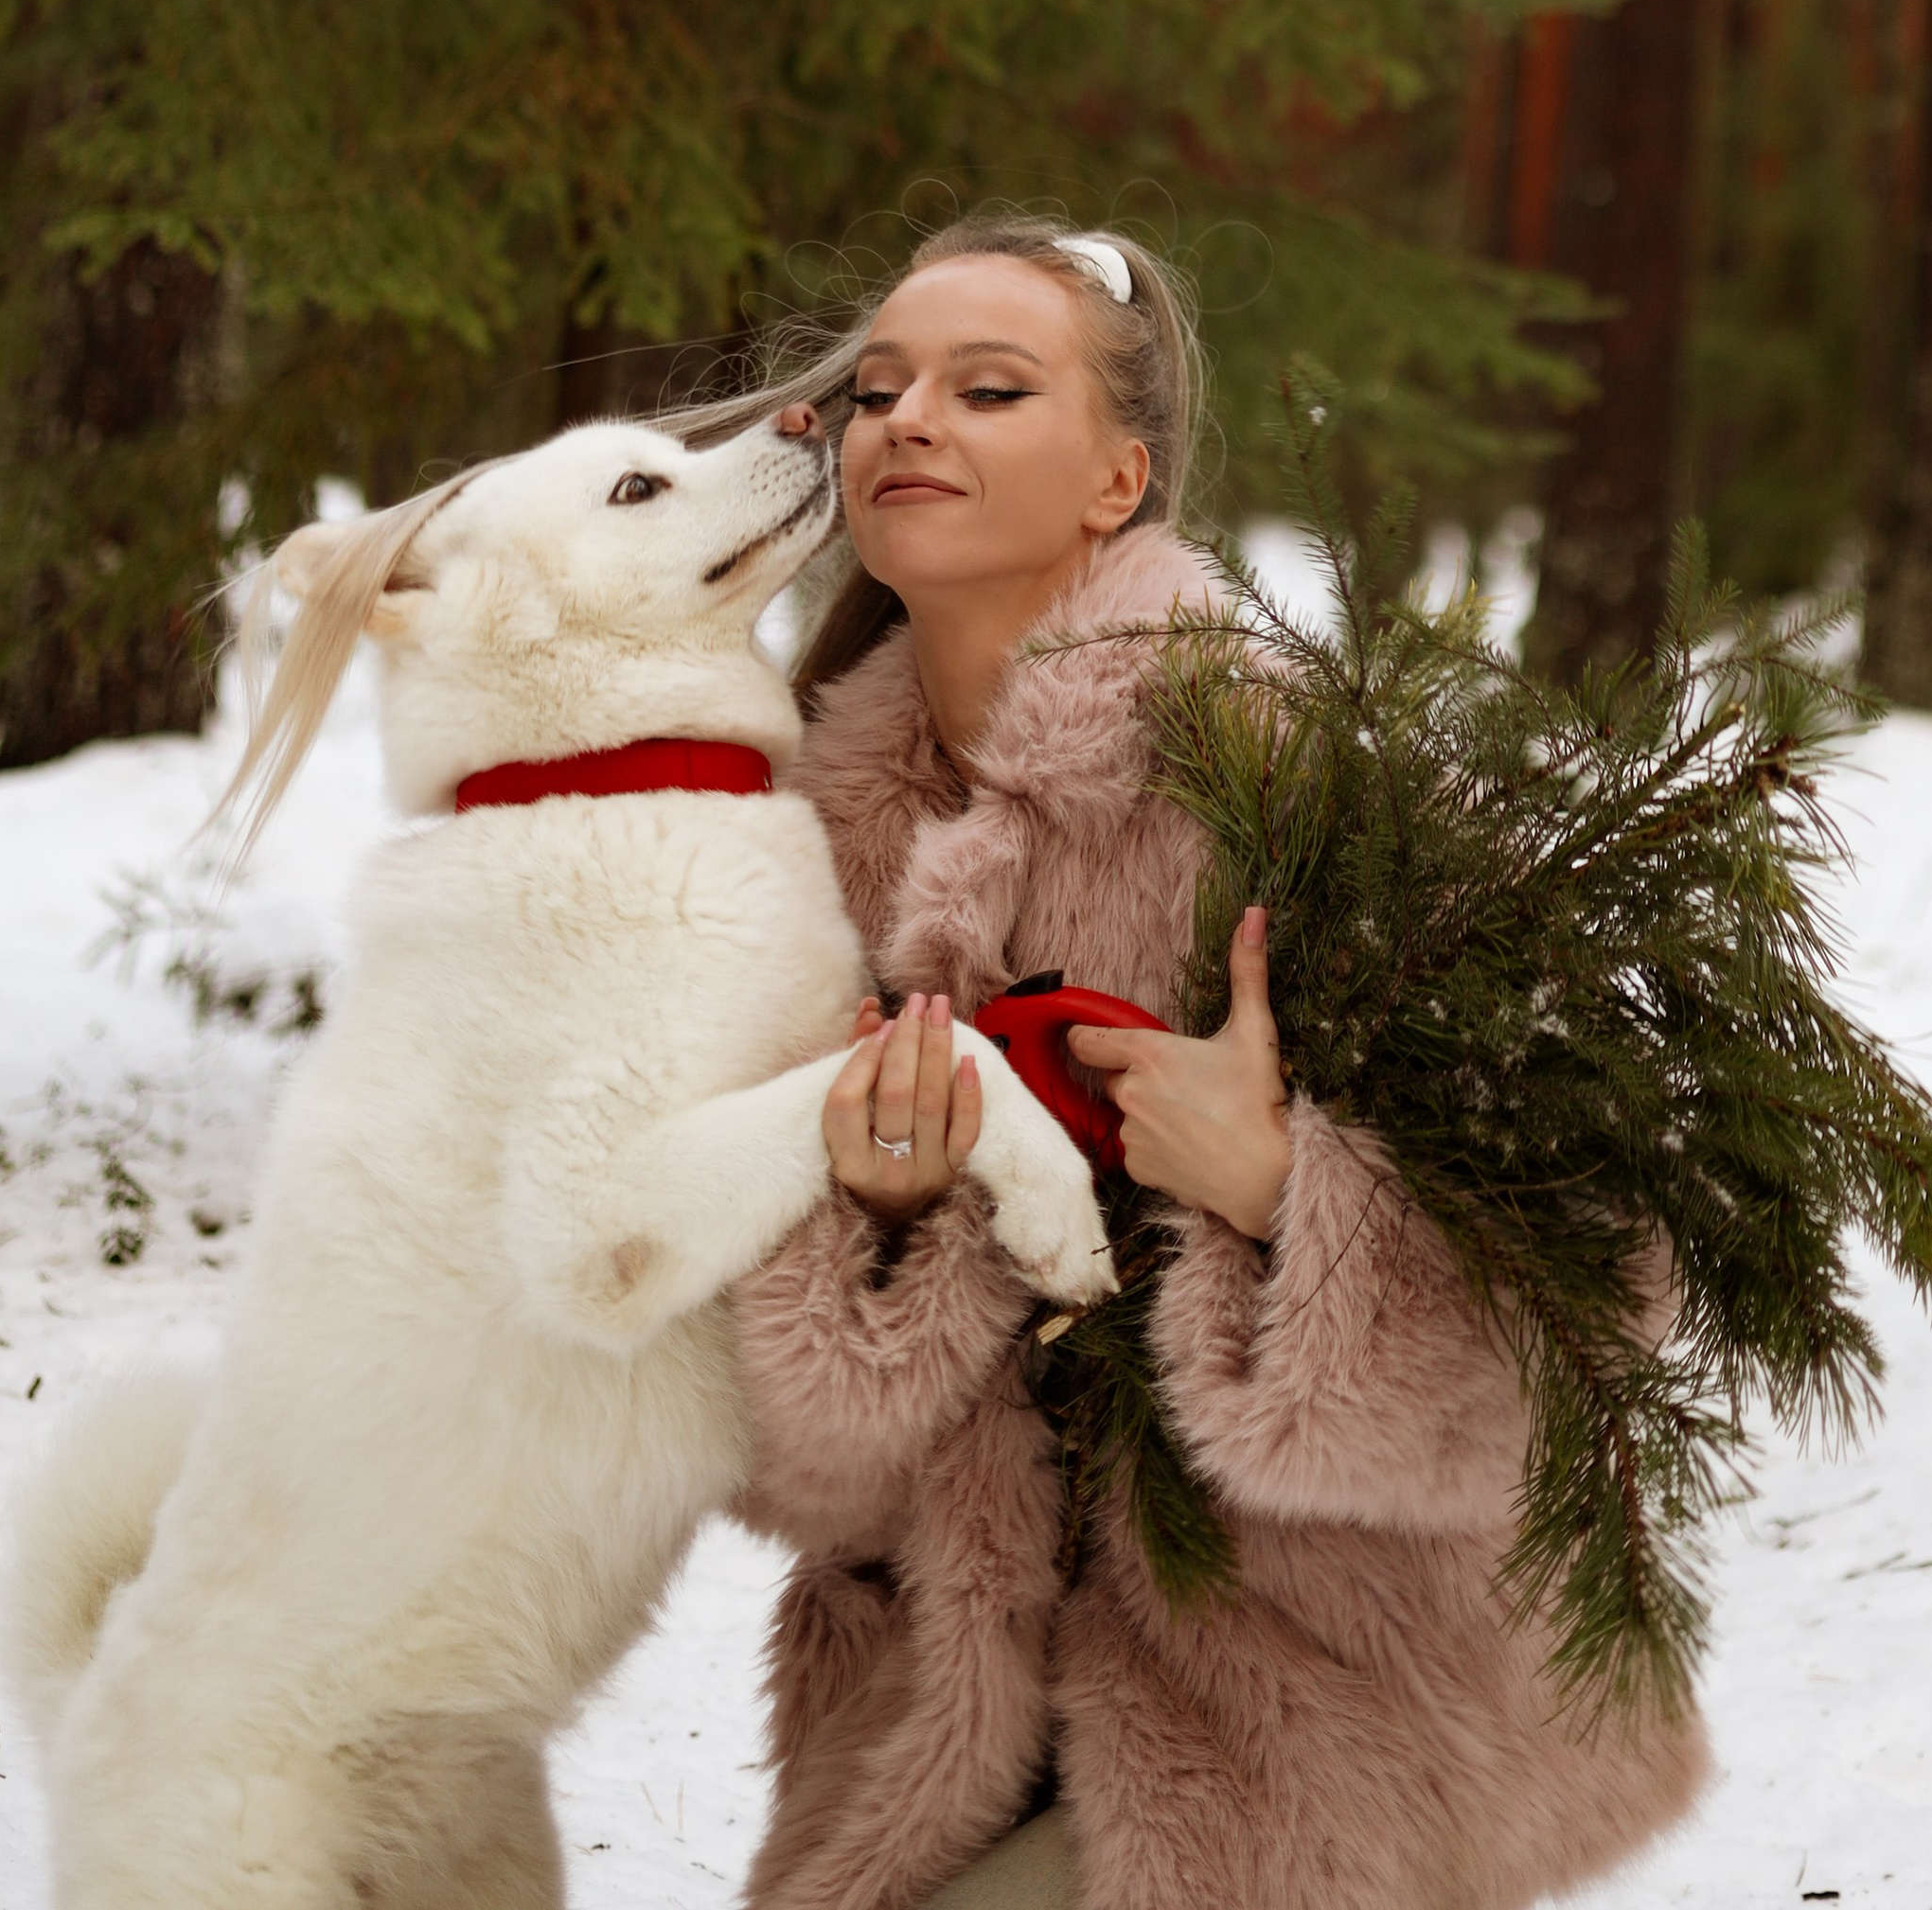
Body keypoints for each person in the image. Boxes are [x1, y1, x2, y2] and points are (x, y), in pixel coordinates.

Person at [713, 211, 1708, 1910]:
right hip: (945, 1713)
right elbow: (769, 1461)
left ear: (1122, 479)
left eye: (989, 385)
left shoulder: (1285, 773)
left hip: (1322, 1692)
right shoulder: (778, 858)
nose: (906, 420)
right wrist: (872, 1233)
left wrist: (1281, 1190)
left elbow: (1615, 1281)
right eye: (878, 388)